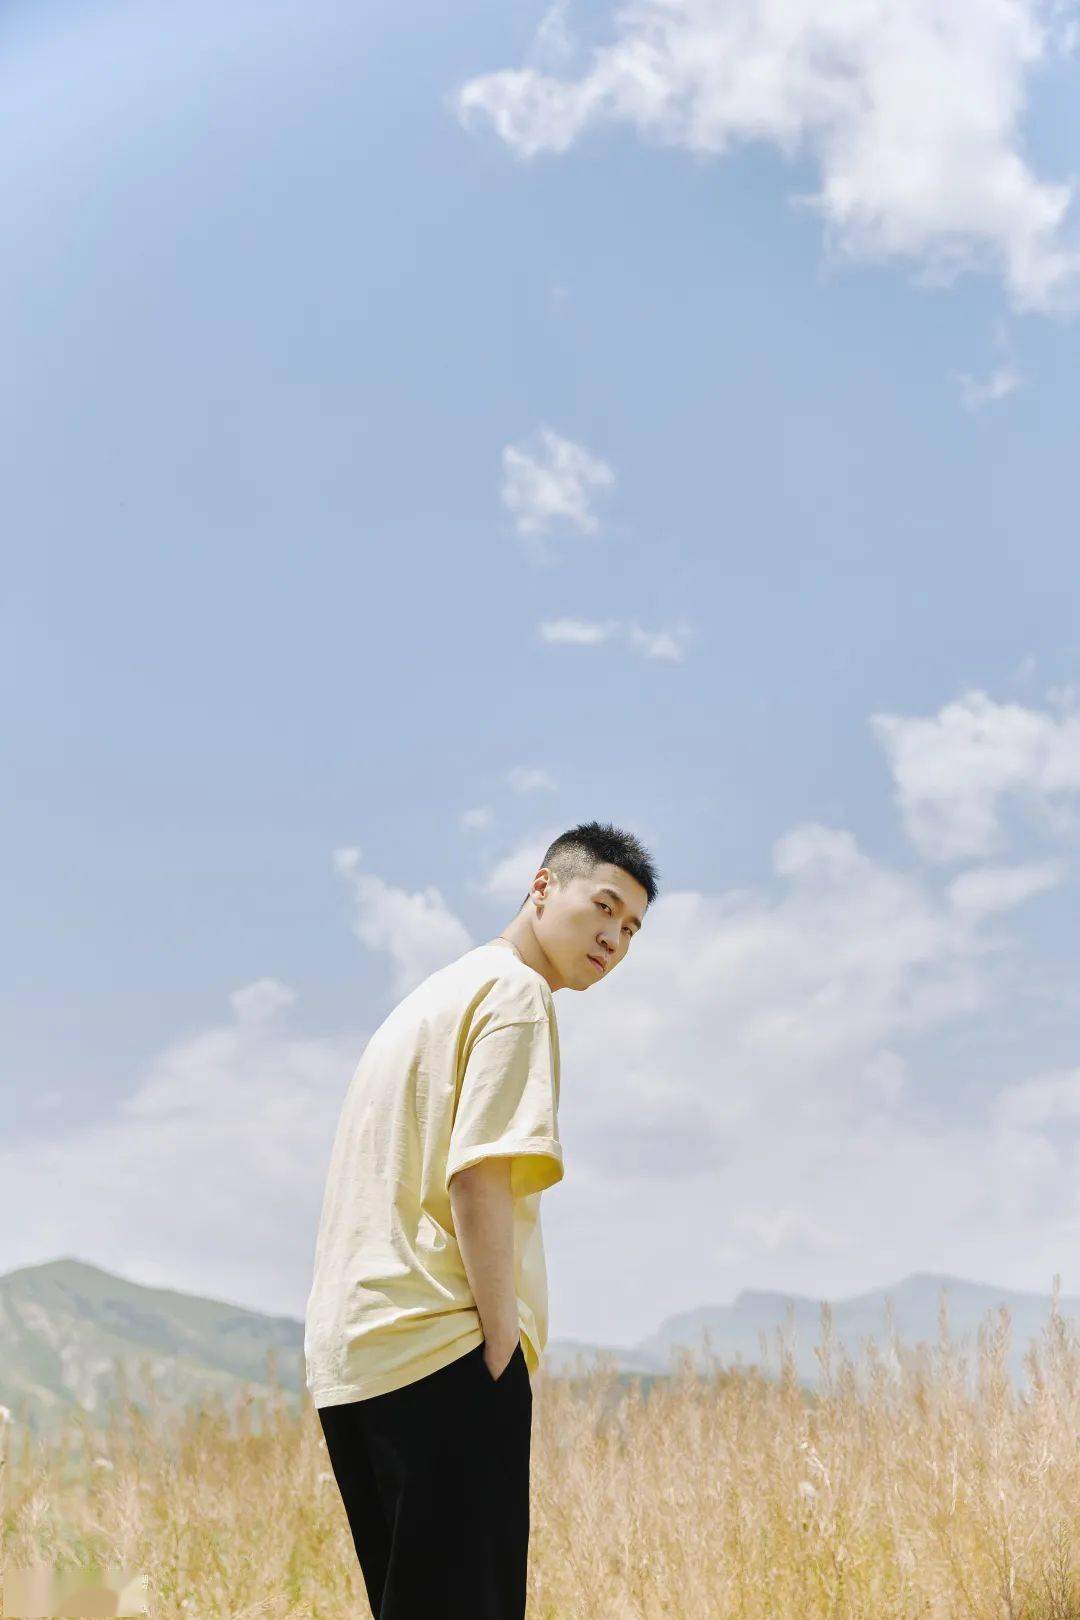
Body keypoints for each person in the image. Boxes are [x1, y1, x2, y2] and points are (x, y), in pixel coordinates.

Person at [304, 819, 659, 1619]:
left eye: (633, 928)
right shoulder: (517, 994)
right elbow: (479, 1176)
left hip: (357, 1355)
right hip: (443, 1352)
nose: (614, 938)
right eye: (604, 907)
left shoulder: (430, 999)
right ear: (542, 887)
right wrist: (502, 1347)